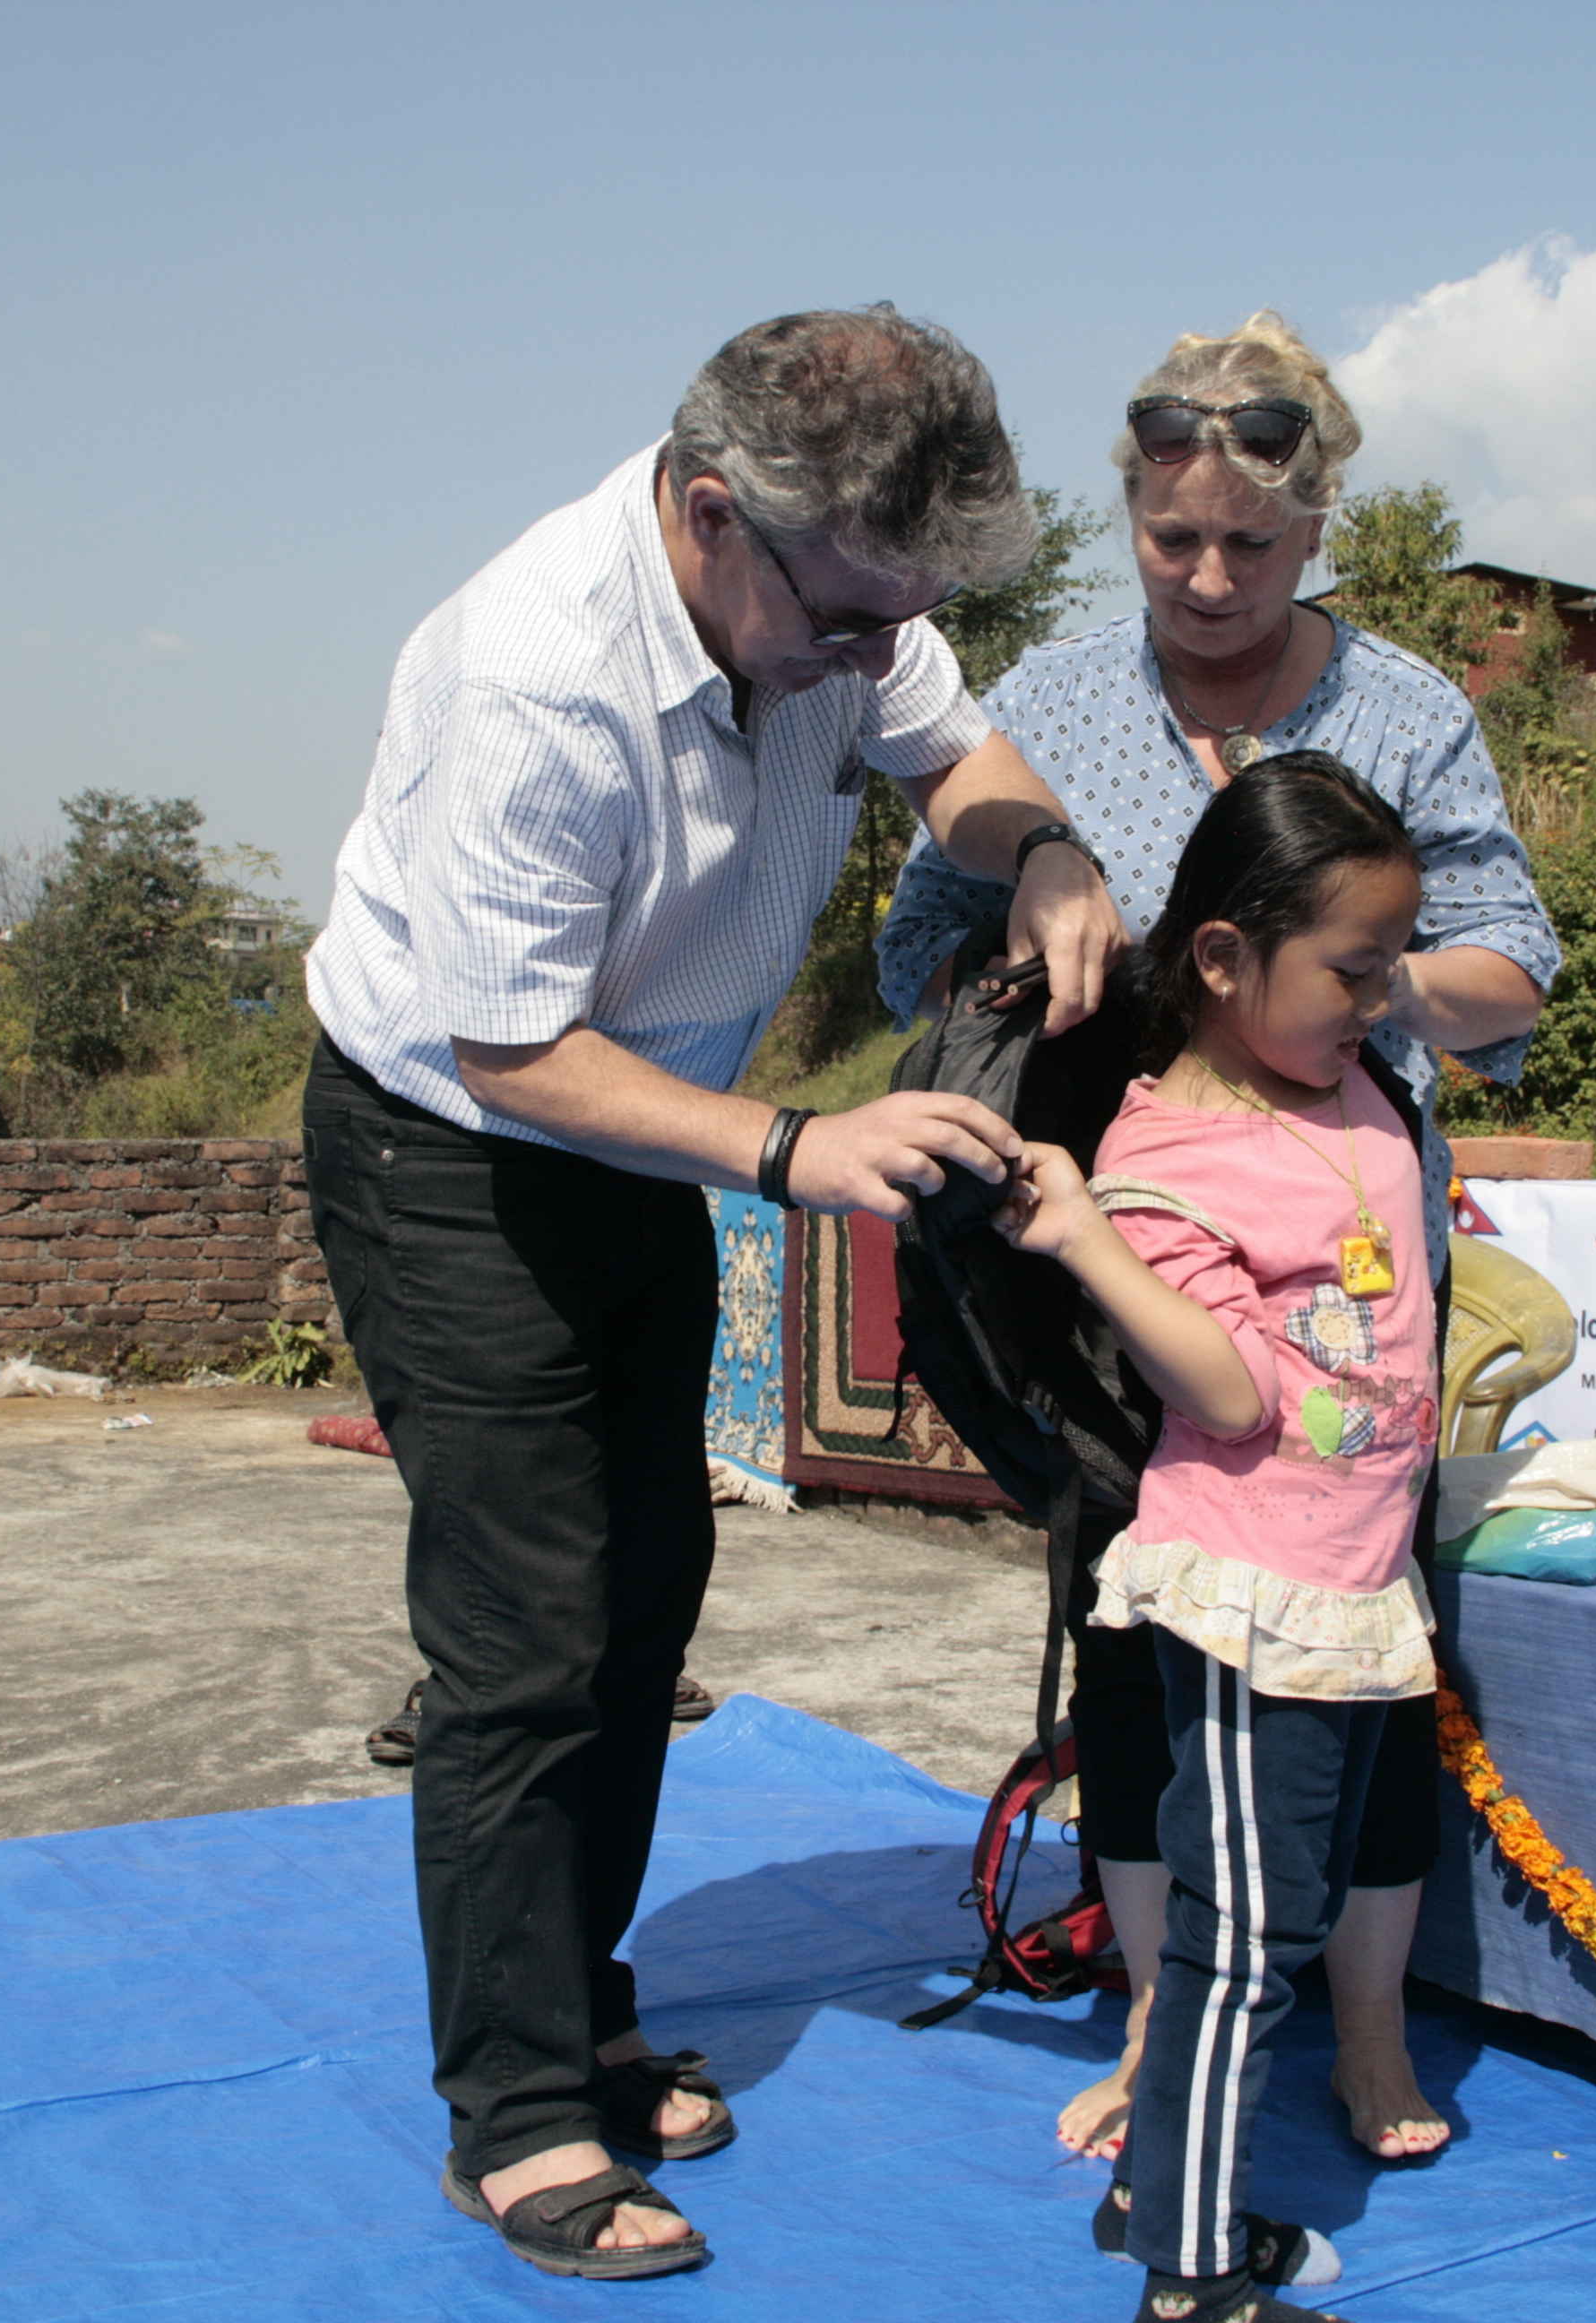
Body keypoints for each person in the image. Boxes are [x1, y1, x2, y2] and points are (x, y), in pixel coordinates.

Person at [298, 307, 1127, 2282]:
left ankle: (577, 2006)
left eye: (895, 616)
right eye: (846, 619)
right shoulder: (535, 679)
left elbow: (959, 752)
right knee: (525, 1629)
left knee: (645, 1587)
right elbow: (510, 1053)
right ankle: (510, 2118)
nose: (872, 657)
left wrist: (1048, 853)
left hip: (634, 1132)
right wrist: (792, 1150)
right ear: (704, 514)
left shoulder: (841, 583)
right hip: (459, 1149)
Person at [875, 313, 1554, 2163]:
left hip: (1342, 1261)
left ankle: (1366, 2035)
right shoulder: (1059, 705)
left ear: (1320, 518)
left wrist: (1364, 985)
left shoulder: (1405, 714)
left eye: (1251, 546)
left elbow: (1519, 979)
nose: (1206, 578)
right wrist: (1026, 922)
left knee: (1363, 1644)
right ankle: (1164, 2020)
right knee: (1137, 1633)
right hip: (1114, 1254)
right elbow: (907, 953)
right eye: (1170, 540)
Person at [998, 758, 1437, 2323]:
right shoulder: (1166, 1155)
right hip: (1256, 1597)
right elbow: (1230, 1381)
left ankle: (1151, 2192)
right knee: (1244, 1941)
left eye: (1391, 962)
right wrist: (1091, 1243)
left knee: (1273, 1917)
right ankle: (1188, 2282)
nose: (1381, 999)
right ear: (1221, 958)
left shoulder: (1333, 1075)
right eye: (1353, 969)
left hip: (1351, 1576)